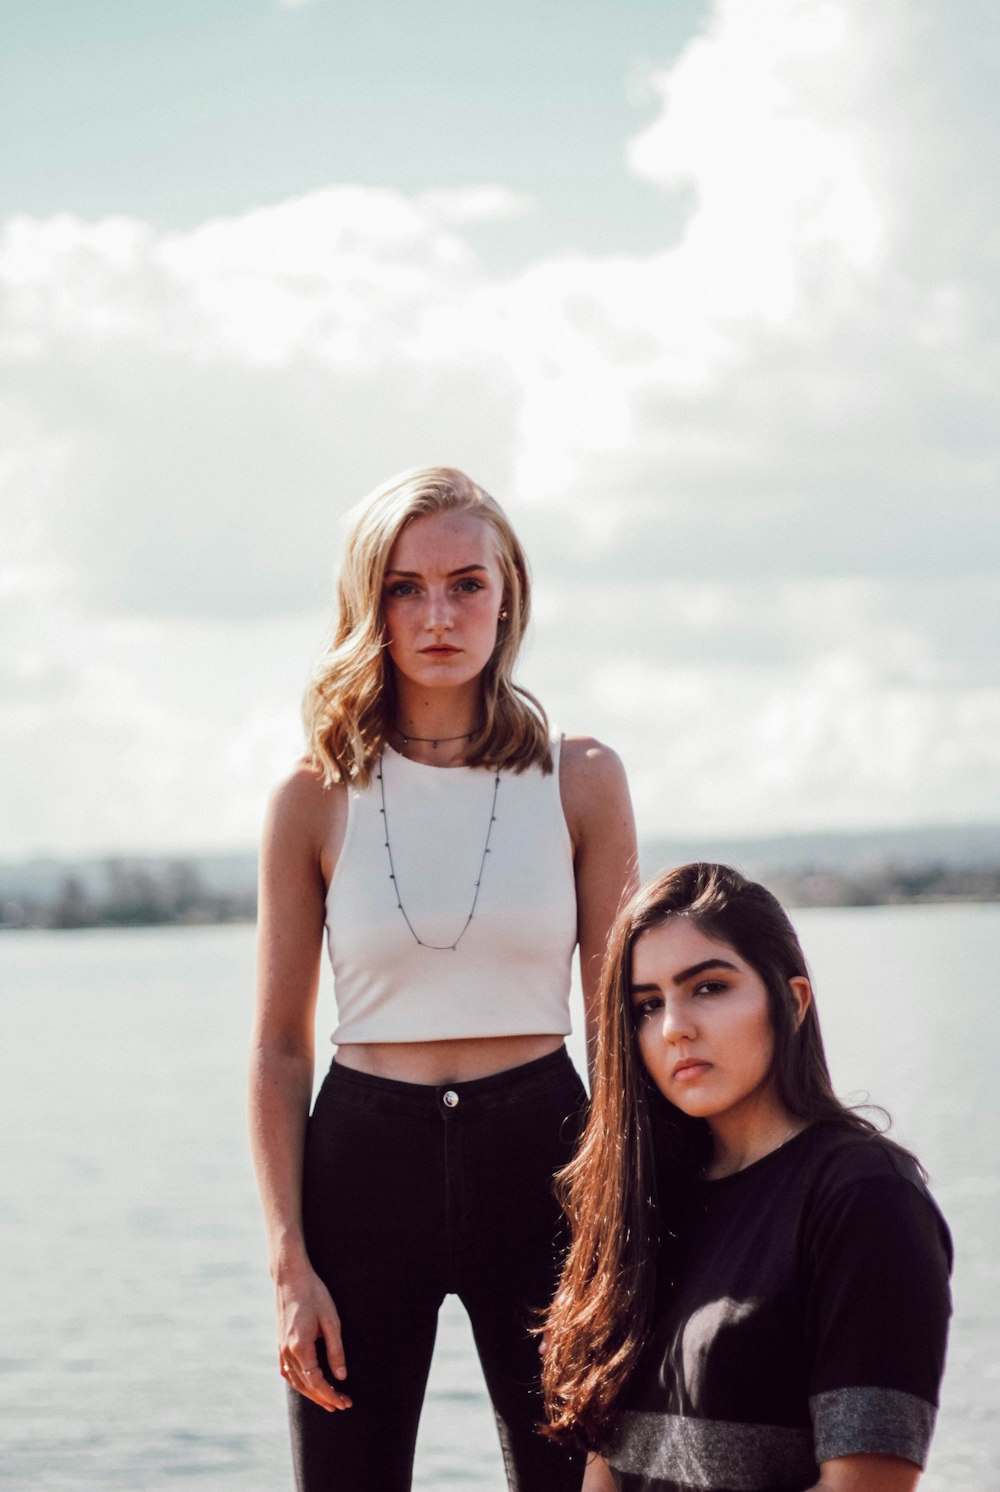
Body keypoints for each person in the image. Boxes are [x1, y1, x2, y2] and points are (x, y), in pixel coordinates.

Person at [248, 466, 637, 1492]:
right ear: (366, 600)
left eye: (466, 583)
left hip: (548, 1158)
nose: (437, 614)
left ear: (508, 592)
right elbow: (280, 1046)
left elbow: (621, 1022)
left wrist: (631, 1213)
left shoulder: (582, 776)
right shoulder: (311, 796)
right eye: (405, 587)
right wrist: (290, 1264)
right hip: (361, 1168)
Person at [541, 862, 952, 1492]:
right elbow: (604, 1474)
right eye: (647, 1006)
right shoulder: (641, 1202)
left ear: (791, 1000)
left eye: (708, 987)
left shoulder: (867, 1197)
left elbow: (863, 1487)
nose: (675, 1026)